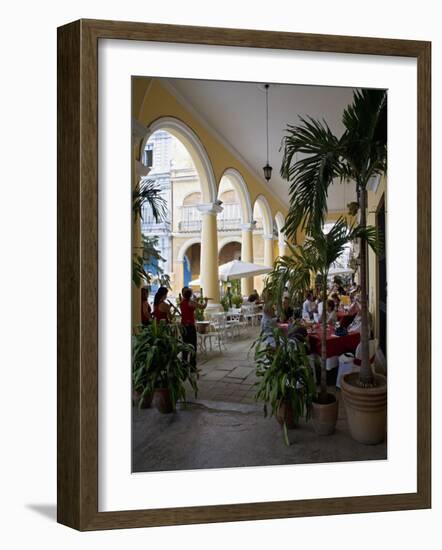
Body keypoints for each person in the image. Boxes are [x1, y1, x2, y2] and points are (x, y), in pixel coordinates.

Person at [180, 287, 208, 366]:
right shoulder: (191, 302)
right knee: (193, 346)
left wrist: (196, 301)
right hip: (190, 326)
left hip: (183, 326)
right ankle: (192, 365)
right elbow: (202, 307)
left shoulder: (181, 302)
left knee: (184, 346)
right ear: (190, 295)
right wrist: (206, 301)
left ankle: (184, 363)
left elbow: (190, 308)